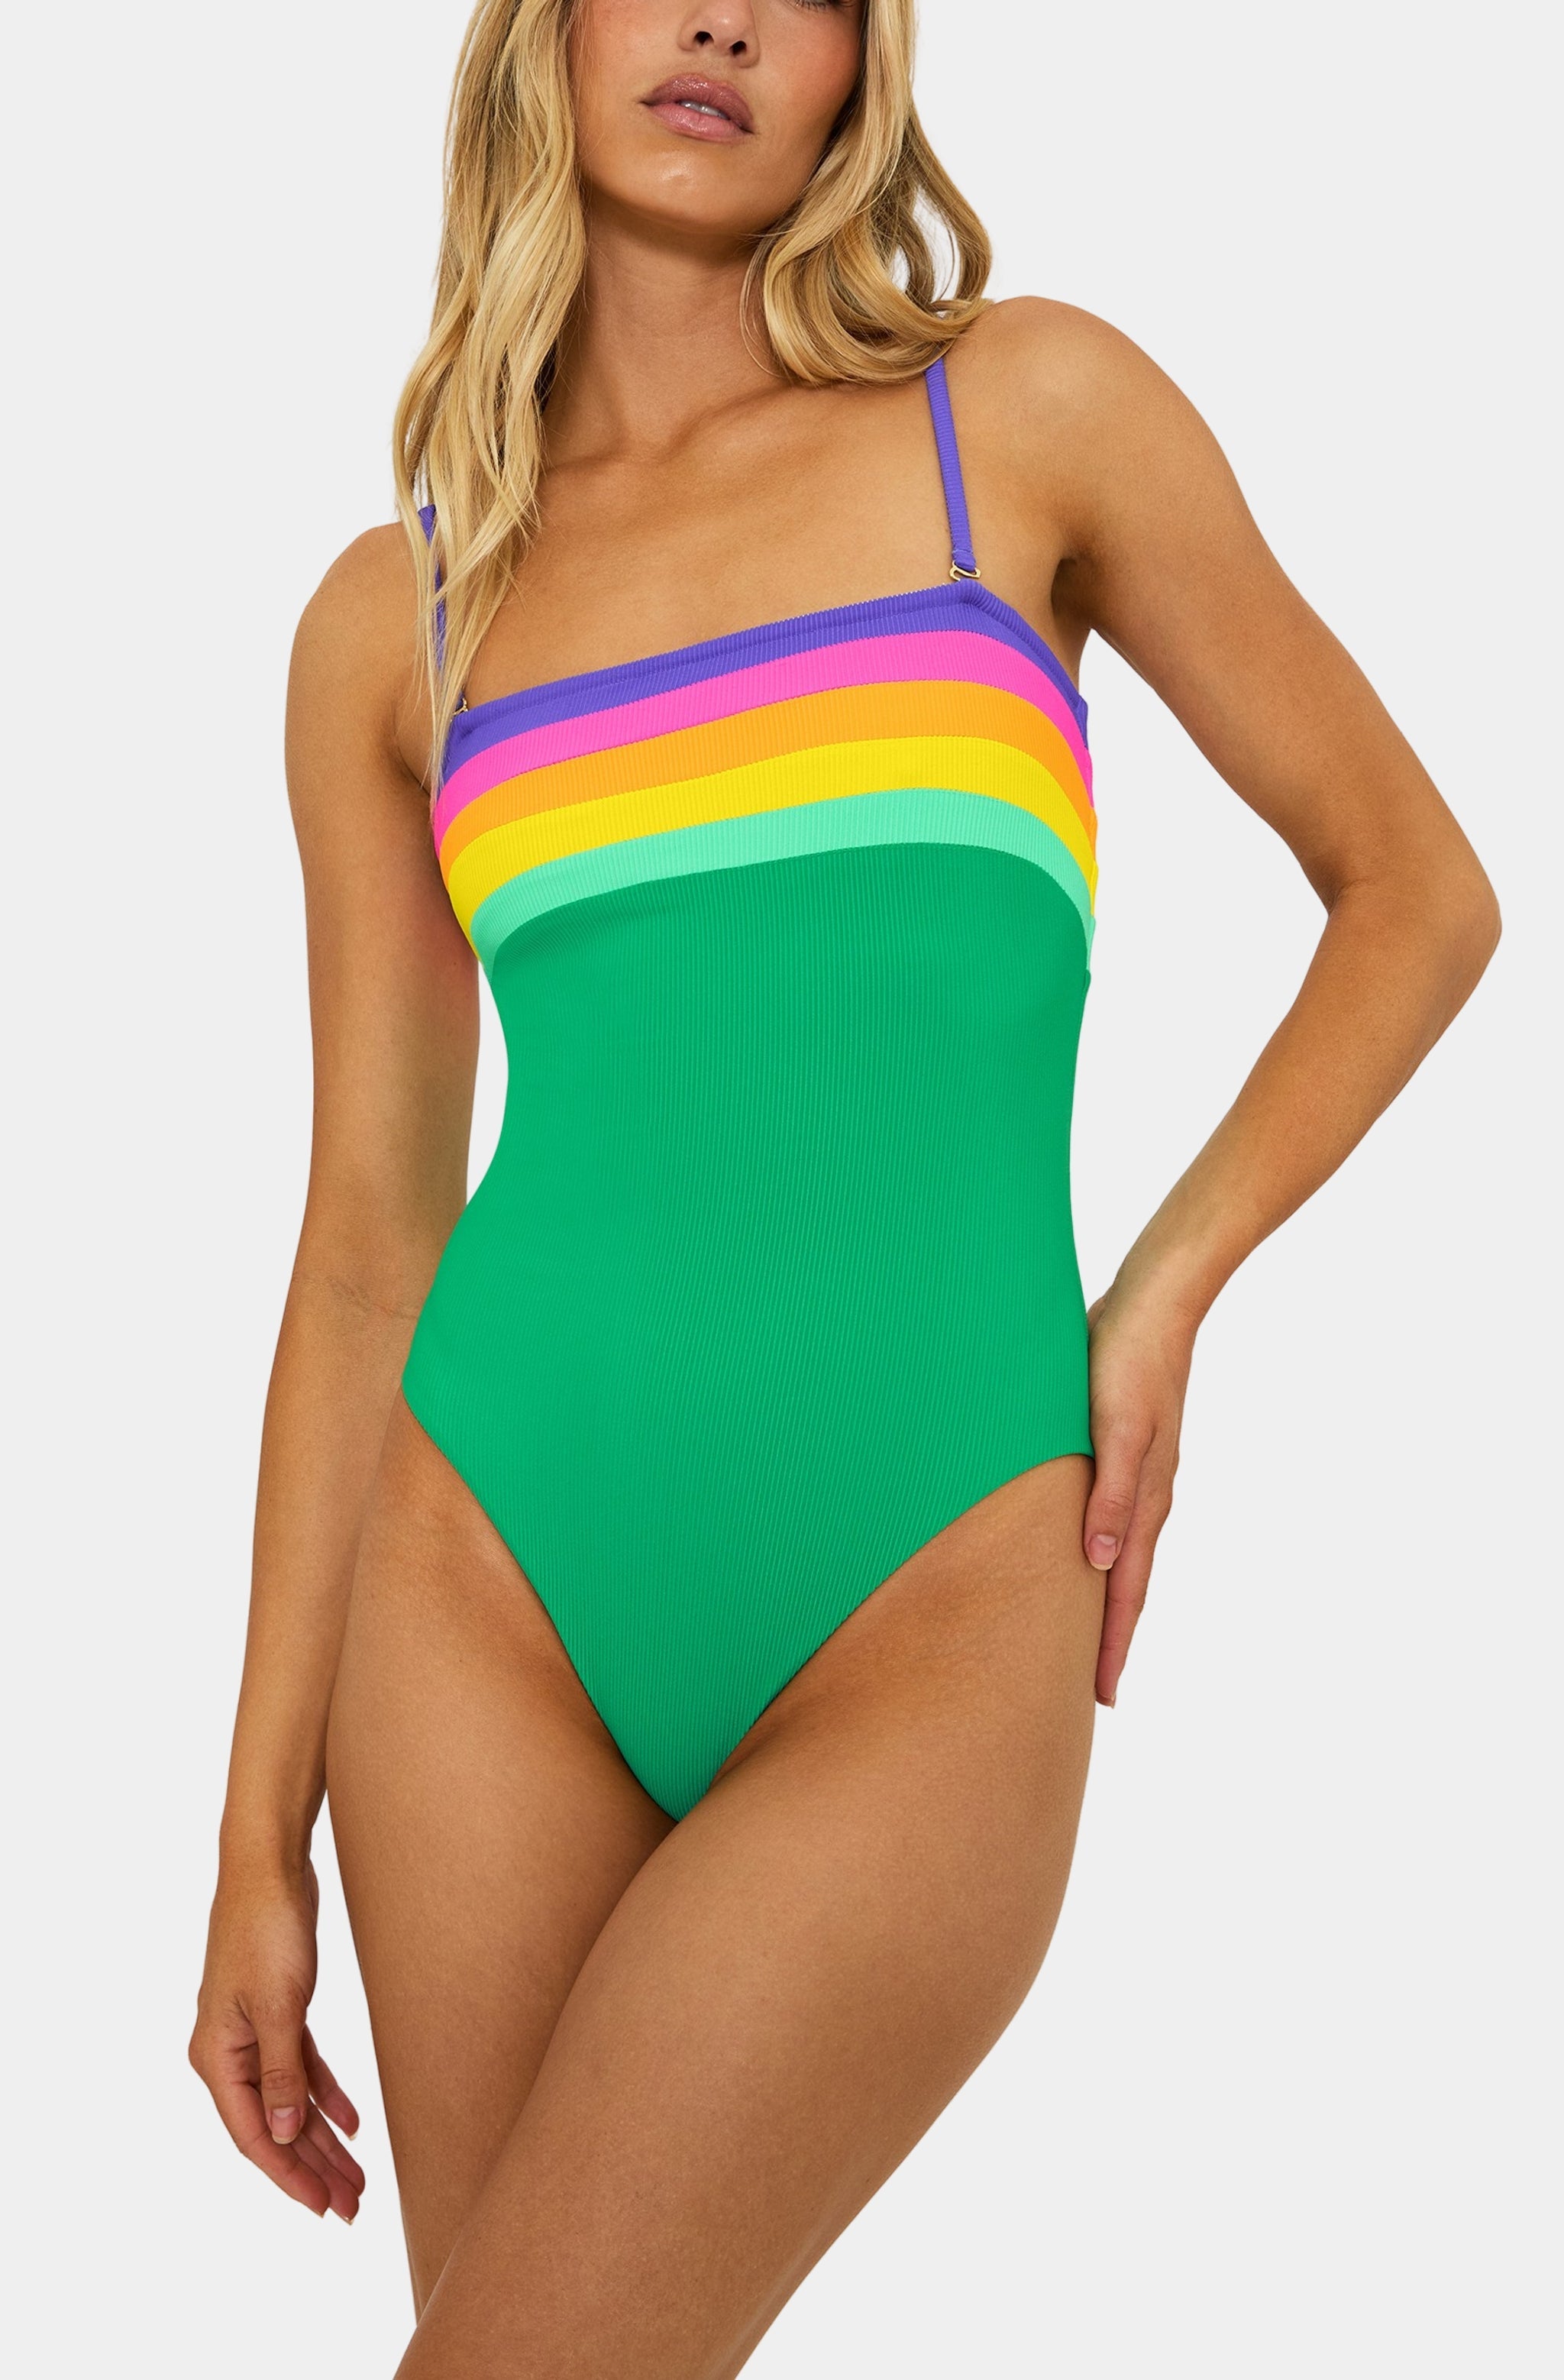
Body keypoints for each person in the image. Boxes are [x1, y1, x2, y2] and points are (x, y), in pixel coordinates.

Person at [189, 3, 1499, 2372]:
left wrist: (1163, 1288)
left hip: (929, 1586)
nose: (720, 18)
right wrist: (251, 1827)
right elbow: (370, 1234)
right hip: (481, 1599)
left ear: (856, 67)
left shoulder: (1028, 419)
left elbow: (1415, 888)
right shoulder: (398, 619)